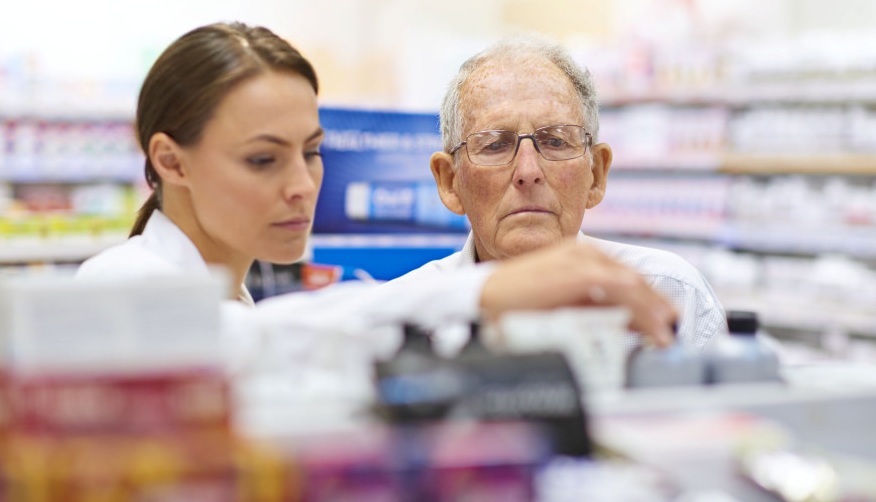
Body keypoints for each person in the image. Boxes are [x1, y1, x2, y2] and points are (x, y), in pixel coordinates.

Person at [76, 22, 678, 346]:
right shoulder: (125, 285)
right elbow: (244, 346)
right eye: (263, 160)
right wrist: (481, 295)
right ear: (171, 161)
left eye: (311, 153)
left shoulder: (227, 291)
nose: (302, 187)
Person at [393, 35, 727, 350]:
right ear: (450, 182)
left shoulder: (671, 294)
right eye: (495, 144)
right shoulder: (401, 316)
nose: (528, 173)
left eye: (555, 141)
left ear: (595, 174)